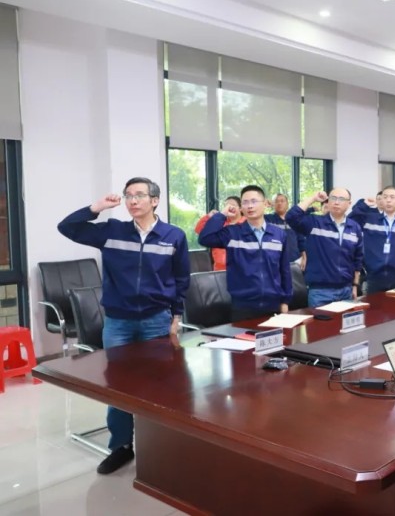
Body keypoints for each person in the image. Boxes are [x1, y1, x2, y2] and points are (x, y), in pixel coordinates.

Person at [57, 176, 190, 475]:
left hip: (157, 320)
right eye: (128, 195)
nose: (132, 200)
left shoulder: (174, 236)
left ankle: (157, 443)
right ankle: (121, 446)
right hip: (118, 321)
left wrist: (176, 316)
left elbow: (181, 279)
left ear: (154, 200)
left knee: (159, 384)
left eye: (139, 195)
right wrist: (97, 207)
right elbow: (67, 227)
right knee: (118, 385)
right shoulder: (112, 231)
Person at [198, 185, 292, 321]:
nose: (250, 206)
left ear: (265, 204)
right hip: (243, 307)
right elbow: (205, 238)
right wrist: (222, 214)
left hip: (273, 305)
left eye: (254, 201)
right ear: (241, 207)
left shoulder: (279, 234)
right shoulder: (233, 233)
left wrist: (285, 302)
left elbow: (285, 270)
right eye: (245, 202)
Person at [286, 189, 364, 307]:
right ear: (328, 201)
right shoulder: (315, 223)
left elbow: (357, 259)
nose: (336, 202)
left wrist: (355, 285)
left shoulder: (355, 228)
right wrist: (313, 198)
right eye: (333, 198)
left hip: (346, 291)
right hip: (320, 292)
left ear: (349, 203)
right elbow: (291, 216)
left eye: (341, 199)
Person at [349, 186, 395, 293]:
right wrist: (363, 205)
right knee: (373, 304)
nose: (388, 200)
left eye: (392, 197)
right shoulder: (371, 219)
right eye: (385, 197)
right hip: (374, 277)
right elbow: (350, 222)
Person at [193, 196, 244, 270]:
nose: (229, 207)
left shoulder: (247, 223)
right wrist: (209, 217)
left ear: (240, 208)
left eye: (232, 205)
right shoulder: (219, 223)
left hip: (240, 269)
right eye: (226, 205)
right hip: (219, 269)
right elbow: (199, 230)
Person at [265, 193, 307, 270]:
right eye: (276, 201)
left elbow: (300, 240)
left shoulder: (294, 220)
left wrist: (304, 256)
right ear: (273, 204)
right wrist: (263, 203)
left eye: (282, 201)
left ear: (287, 204)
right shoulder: (268, 219)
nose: (279, 203)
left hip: (295, 261)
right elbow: (253, 217)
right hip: (275, 262)